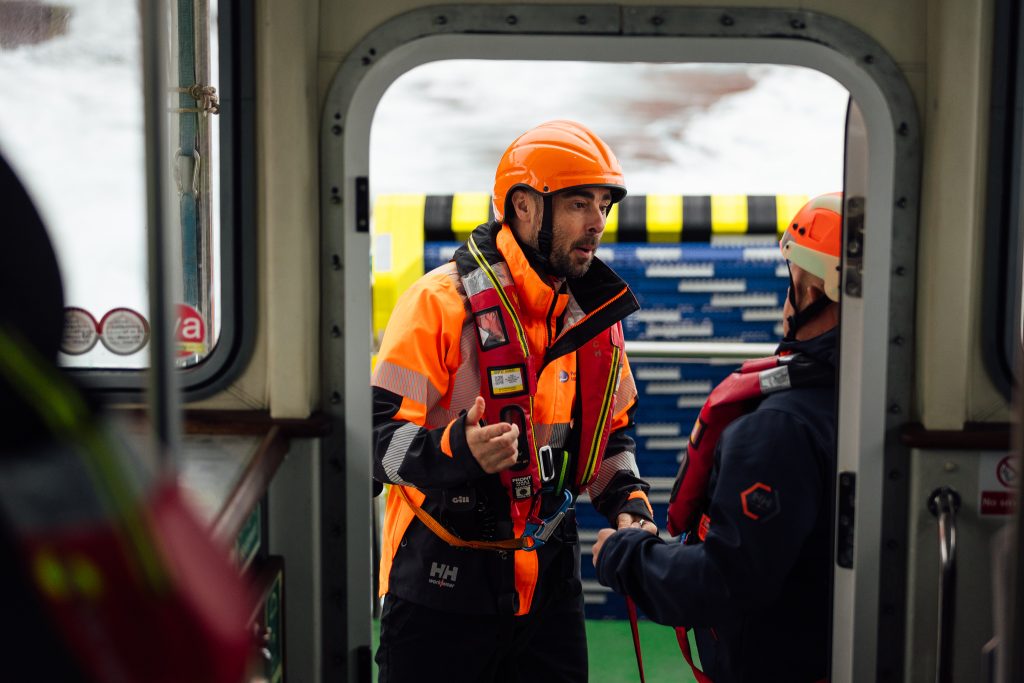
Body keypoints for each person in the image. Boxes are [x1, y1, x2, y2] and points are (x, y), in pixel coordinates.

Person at [372, 120, 655, 682]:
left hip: (550, 583)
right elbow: (374, 441)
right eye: (579, 203)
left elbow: (608, 439)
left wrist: (628, 500)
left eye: (604, 205)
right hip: (439, 585)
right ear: (523, 207)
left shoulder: (595, 318)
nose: (598, 222)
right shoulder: (436, 304)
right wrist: (457, 450)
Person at [592, 192, 843, 683]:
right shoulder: (870, 401)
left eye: (792, 285)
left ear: (810, 293)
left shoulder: (778, 431)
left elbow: (726, 581)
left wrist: (624, 556)